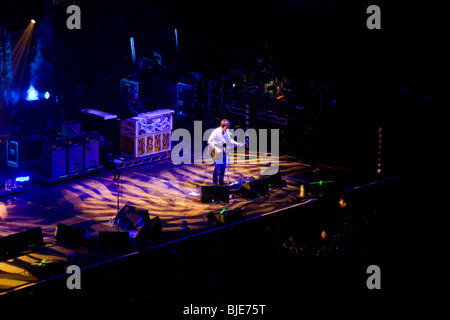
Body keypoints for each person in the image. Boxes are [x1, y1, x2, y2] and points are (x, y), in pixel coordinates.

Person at [207, 119, 243, 185]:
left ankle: (221, 181)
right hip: (215, 151)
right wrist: (216, 149)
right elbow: (209, 141)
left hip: (223, 150)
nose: (227, 129)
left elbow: (230, 140)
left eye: (228, 128)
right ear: (222, 126)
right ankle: (215, 181)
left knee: (223, 166)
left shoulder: (227, 132)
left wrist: (237, 143)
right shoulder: (216, 132)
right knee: (218, 167)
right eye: (226, 128)